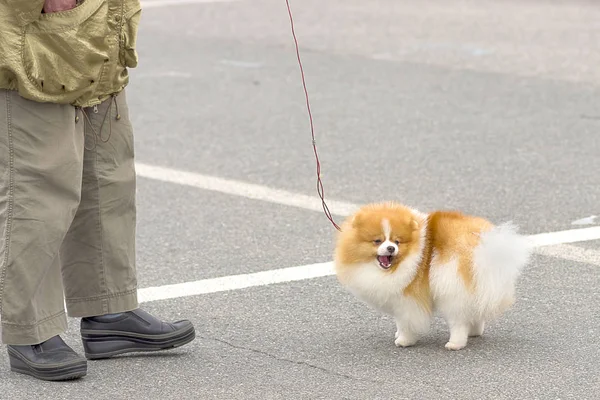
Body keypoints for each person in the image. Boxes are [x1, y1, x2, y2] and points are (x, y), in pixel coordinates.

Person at [0, 0, 195, 381]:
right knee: (39, 180)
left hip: (98, 20)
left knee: (108, 172)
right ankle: (30, 329)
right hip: (34, 17)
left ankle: (108, 308)